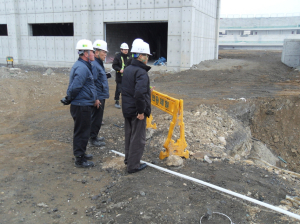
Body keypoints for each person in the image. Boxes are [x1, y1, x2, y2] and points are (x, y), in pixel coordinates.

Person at [121, 39, 153, 173]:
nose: (147, 58)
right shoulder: (141, 72)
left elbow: (130, 88)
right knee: (138, 138)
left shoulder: (128, 69)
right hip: (136, 110)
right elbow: (139, 93)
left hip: (127, 108)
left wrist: (147, 89)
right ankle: (133, 166)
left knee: (129, 135)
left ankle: (129, 159)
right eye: (146, 55)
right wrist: (141, 111)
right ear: (140, 56)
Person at [66, 39, 98, 168]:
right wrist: (69, 98)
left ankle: (82, 154)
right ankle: (79, 159)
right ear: (85, 53)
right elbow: (75, 87)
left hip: (83, 104)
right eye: (92, 51)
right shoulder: (82, 68)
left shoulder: (83, 66)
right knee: (82, 132)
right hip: (81, 105)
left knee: (83, 130)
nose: (93, 53)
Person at [89, 40, 109, 147]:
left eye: (106, 52)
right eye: (103, 52)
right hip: (98, 96)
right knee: (96, 118)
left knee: (98, 117)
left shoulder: (98, 63)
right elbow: (92, 83)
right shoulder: (95, 65)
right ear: (96, 52)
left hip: (101, 95)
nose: (105, 54)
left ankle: (94, 135)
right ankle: (93, 138)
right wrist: (96, 98)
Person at [112, 43, 130, 109]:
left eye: (127, 49)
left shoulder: (129, 57)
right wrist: (119, 69)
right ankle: (117, 101)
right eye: (124, 49)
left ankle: (126, 101)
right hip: (119, 77)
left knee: (127, 89)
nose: (126, 51)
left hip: (127, 77)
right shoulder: (118, 57)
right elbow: (114, 65)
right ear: (121, 50)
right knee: (119, 89)